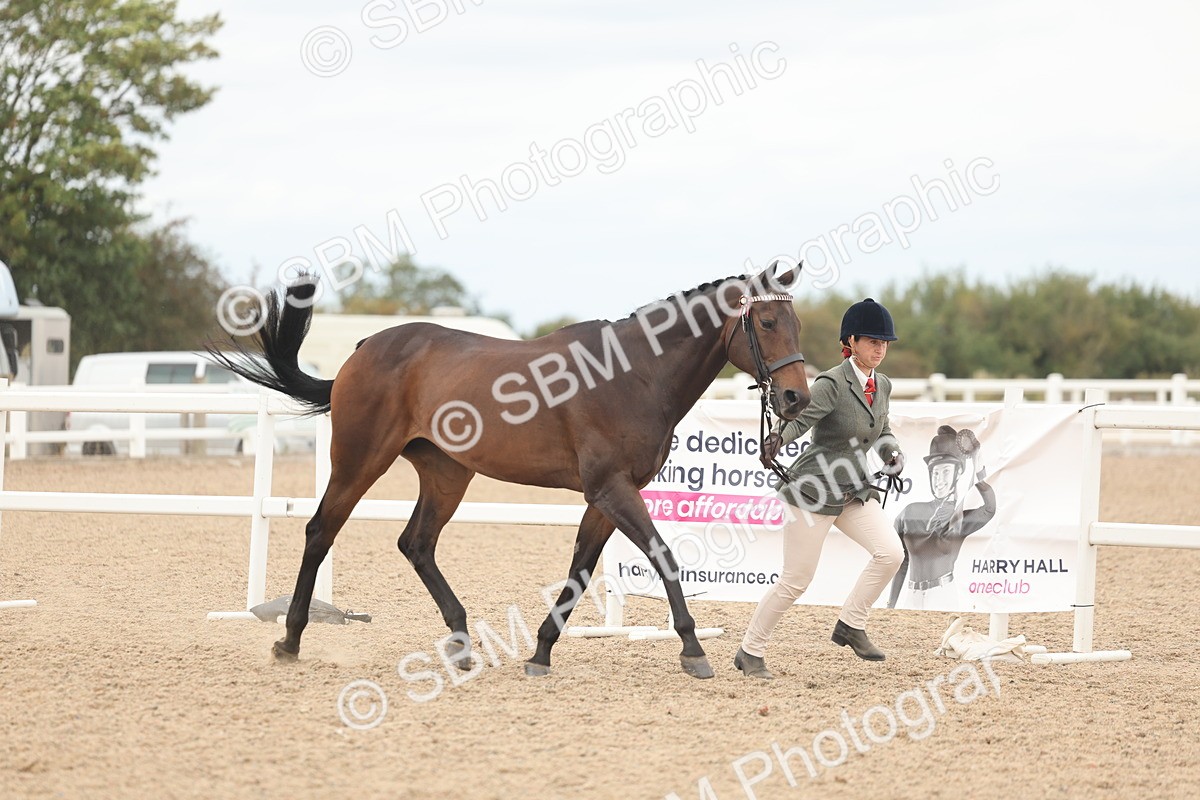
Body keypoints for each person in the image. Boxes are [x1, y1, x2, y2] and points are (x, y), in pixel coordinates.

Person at [734, 298, 906, 679]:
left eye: (884, 343)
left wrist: (892, 452)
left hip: (854, 490)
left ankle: (850, 624)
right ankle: (750, 650)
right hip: (813, 490)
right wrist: (777, 437)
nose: (880, 349)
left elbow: (884, 430)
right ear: (852, 342)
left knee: (890, 553)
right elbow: (800, 420)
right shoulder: (831, 383)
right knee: (796, 580)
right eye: (873, 341)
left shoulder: (884, 385)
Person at [887, 425, 996, 610]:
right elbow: (901, 559)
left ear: (958, 472)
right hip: (912, 596)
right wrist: (891, 604)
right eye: (935, 472)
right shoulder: (909, 512)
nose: (939, 480)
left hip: (942, 594)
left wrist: (979, 470)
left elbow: (989, 509)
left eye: (945, 471)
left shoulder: (959, 515)